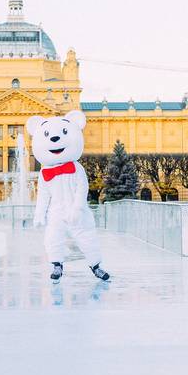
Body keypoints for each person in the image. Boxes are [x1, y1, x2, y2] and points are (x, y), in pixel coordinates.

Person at [26, 110, 110, 283]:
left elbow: (82, 188)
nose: (55, 139)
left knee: (87, 237)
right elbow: (43, 195)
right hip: (56, 211)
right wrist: (39, 214)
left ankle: (96, 266)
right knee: (53, 237)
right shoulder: (44, 172)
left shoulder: (77, 168)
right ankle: (57, 265)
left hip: (77, 210)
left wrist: (77, 208)